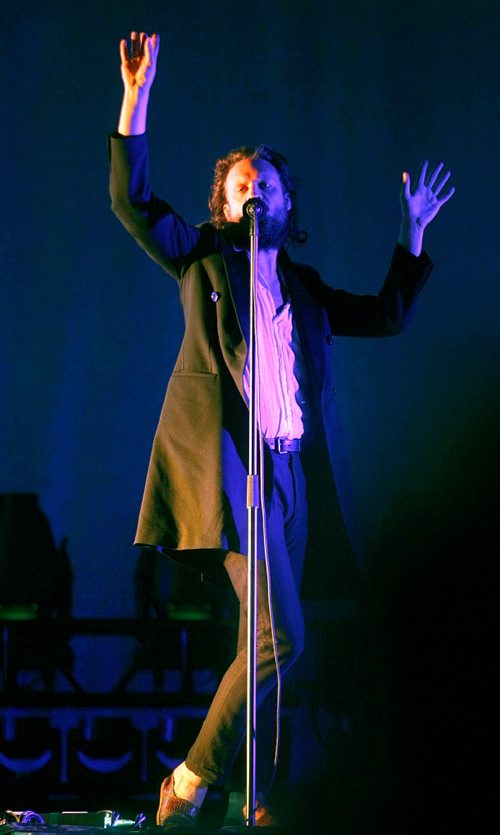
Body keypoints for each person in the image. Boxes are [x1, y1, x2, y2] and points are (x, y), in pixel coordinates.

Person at [108, 30, 454, 830]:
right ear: (224, 205)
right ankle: (191, 777)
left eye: (264, 183)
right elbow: (132, 204)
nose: (253, 190)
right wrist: (137, 95)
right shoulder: (201, 262)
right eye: (239, 184)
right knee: (280, 634)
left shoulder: (302, 288)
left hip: (291, 475)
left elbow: (389, 315)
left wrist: (415, 234)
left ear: (287, 202)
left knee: (264, 648)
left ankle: (258, 798)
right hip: (235, 469)